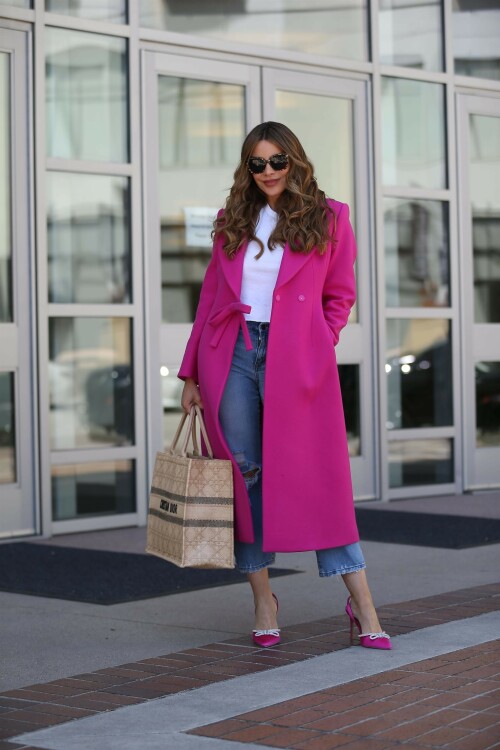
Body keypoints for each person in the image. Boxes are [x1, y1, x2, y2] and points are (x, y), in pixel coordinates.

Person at [179, 121, 391, 651]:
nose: (268, 171)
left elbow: (339, 294)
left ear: (295, 160)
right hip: (231, 355)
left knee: (320, 477)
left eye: (277, 161)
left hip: (297, 357)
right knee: (245, 477)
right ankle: (263, 601)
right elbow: (208, 301)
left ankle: (362, 603)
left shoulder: (331, 217)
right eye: (257, 163)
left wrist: (321, 338)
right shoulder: (232, 220)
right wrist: (190, 374)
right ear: (246, 169)